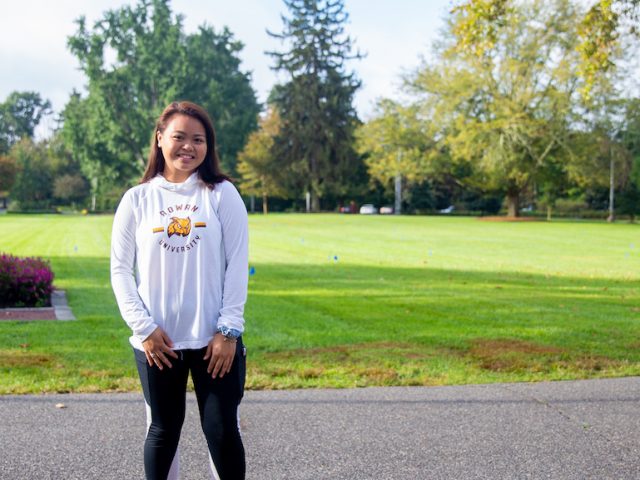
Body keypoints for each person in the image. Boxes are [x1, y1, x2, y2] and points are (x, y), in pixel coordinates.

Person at [110, 101, 248, 480]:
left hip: (213, 342)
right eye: (179, 137)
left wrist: (228, 330)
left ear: (208, 145)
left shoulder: (221, 194)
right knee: (162, 431)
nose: (188, 146)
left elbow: (237, 265)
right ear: (159, 139)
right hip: (159, 344)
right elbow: (120, 271)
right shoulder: (137, 200)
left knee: (221, 432)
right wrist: (144, 329)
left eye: (198, 139)